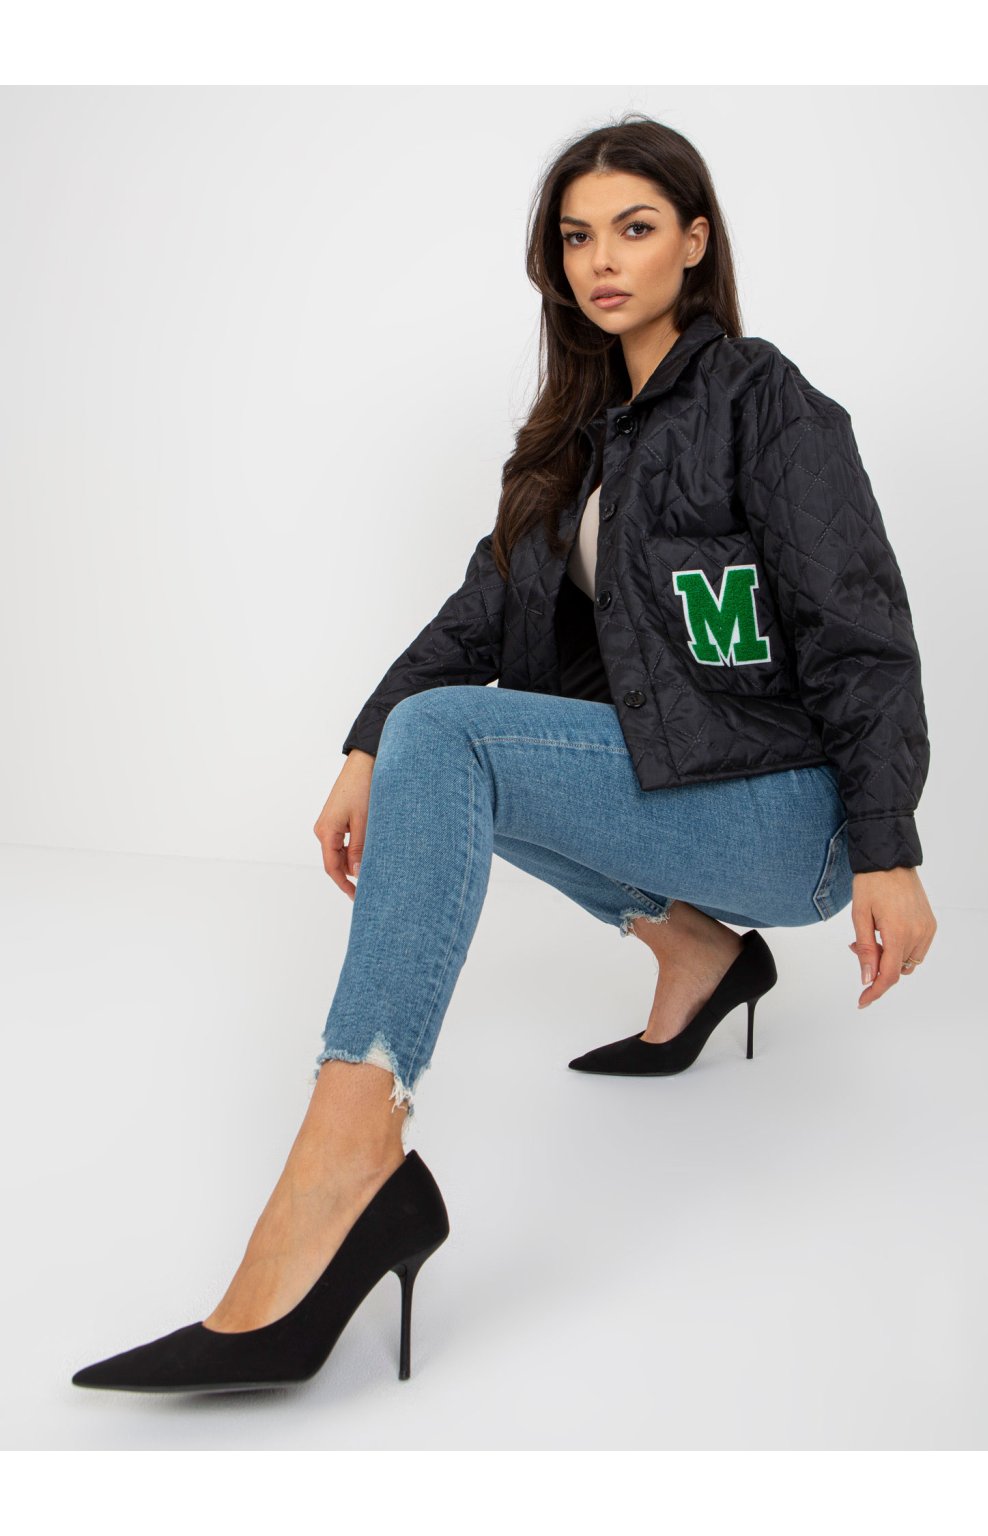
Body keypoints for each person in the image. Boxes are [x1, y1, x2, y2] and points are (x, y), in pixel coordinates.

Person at [71, 114, 937, 1396]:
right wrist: (366, 741)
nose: (603, 261)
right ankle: (698, 956)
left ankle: (349, 1158)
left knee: (451, 739)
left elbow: (858, 633)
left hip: (796, 815)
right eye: (577, 238)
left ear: (695, 243)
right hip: (685, 790)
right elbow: (477, 613)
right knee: (441, 744)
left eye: (635, 228)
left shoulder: (767, 404)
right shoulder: (570, 440)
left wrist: (886, 847)